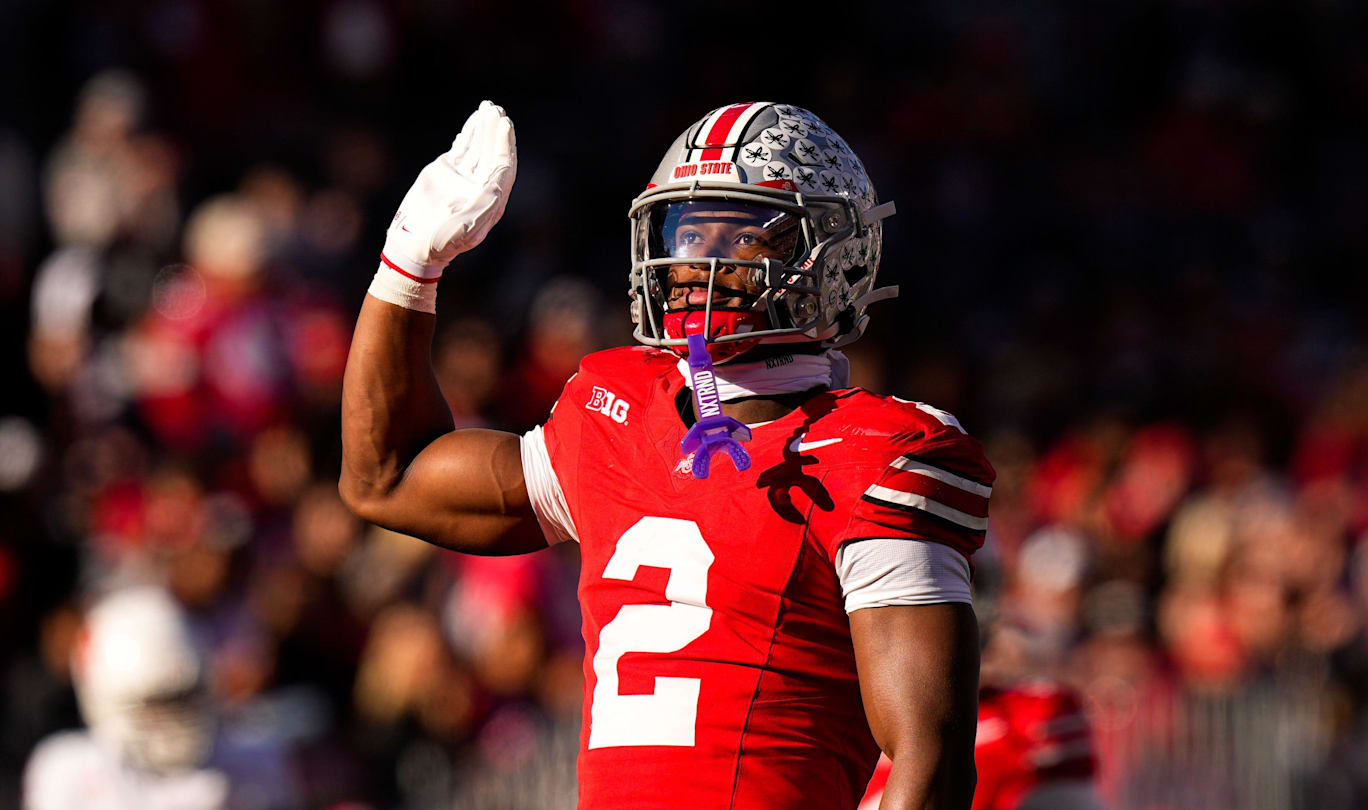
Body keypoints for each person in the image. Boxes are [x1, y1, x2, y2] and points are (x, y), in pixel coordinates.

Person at [340, 101, 994, 809]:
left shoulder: (872, 453)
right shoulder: (615, 412)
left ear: (827, 257)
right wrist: (408, 264)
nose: (695, 262)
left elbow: (929, 766)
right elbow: (387, 477)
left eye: (738, 236)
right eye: (687, 232)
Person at [23, 586, 298, 810]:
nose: (170, 719)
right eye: (150, 705)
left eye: (181, 698)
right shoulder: (67, 770)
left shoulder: (256, 760)